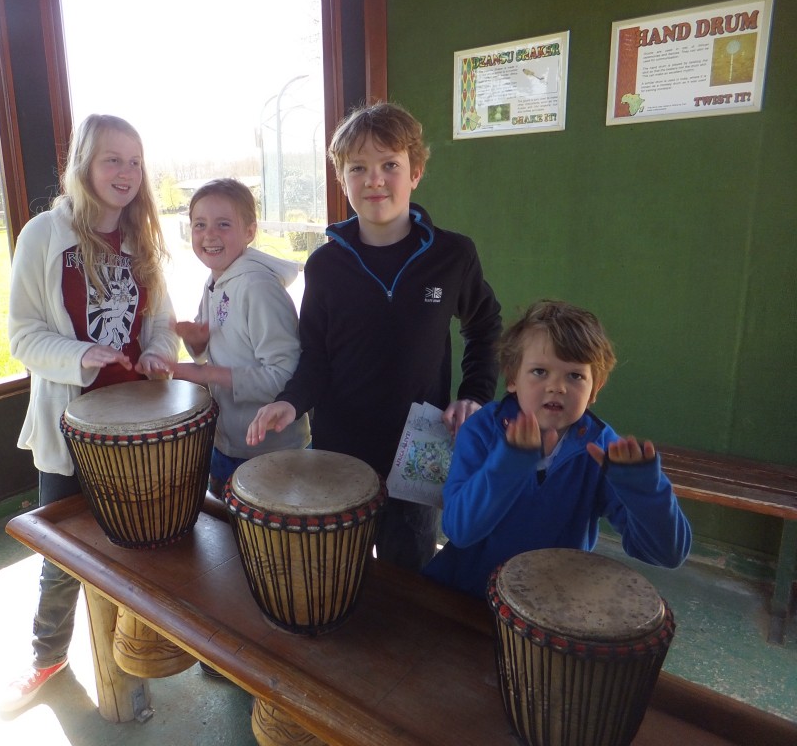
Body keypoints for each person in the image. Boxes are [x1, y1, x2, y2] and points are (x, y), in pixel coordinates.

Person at [247, 102, 502, 571]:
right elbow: (316, 358)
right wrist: (290, 401)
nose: (375, 180)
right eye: (357, 168)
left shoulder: (452, 255)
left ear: (416, 172)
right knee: (340, 569)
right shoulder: (325, 265)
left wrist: (474, 395)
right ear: (342, 179)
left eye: (390, 165)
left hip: (420, 447)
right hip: (339, 446)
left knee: (409, 575)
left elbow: (484, 327)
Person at [2, 114, 179, 713]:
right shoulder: (43, 235)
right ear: (84, 164)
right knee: (63, 555)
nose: (127, 173)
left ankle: (138, 659)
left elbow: (159, 323)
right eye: (113, 160)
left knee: (137, 549)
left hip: (137, 430)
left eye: (135, 161)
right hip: (69, 429)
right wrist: (84, 354)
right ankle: (46, 658)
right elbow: (23, 335)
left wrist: (155, 353)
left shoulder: (142, 239)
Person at [422, 299, 692, 599]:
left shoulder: (602, 450)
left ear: (595, 389)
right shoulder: (482, 430)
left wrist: (645, 491)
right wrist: (510, 465)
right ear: (513, 379)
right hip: (463, 597)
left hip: (545, 615)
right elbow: (460, 530)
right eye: (540, 372)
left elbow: (667, 554)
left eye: (575, 376)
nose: (557, 387)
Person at [173, 178, 310, 501]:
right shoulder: (215, 280)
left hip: (274, 452)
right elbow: (221, 352)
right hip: (228, 442)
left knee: (265, 550)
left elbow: (287, 377)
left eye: (223, 224)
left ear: (250, 231)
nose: (209, 235)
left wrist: (207, 375)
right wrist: (197, 344)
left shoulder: (258, 288)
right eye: (199, 225)